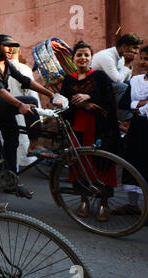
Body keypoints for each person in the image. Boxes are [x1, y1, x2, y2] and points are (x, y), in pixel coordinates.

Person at [0, 34, 63, 198]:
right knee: (29, 101)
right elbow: (0, 91)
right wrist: (20, 105)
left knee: (12, 141)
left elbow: (26, 81)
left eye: (13, 46)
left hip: (5, 106)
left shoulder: (7, 65)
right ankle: (33, 145)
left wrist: (51, 95)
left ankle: (12, 181)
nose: (11, 49)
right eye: (7, 46)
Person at [60, 41, 121, 222]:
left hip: (99, 128)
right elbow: (64, 102)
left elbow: (109, 98)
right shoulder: (68, 79)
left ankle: (104, 203)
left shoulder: (100, 76)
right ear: (73, 58)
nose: (83, 58)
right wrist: (80, 104)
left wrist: (89, 97)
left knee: (101, 164)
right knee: (80, 164)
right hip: (77, 128)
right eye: (79, 55)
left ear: (91, 58)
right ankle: (84, 199)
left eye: (86, 55)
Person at [118, 46, 148, 217]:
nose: (143, 62)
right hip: (137, 129)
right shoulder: (136, 81)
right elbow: (123, 103)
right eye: (142, 58)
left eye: (147, 59)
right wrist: (142, 104)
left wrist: (136, 105)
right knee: (133, 165)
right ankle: (133, 205)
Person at [91, 33, 144, 119]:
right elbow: (118, 81)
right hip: (94, 87)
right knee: (122, 87)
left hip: (108, 85)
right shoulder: (107, 56)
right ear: (124, 46)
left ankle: (138, 112)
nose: (137, 52)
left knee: (134, 84)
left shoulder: (121, 57)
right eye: (135, 48)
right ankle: (125, 119)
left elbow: (126, 79)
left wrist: (128, 64)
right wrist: (127, 63)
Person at [8, 45, 43, 167]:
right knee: (23, 141)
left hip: (6, 111)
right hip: (24, 112)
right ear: (19, 52)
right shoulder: (24, 69)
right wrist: (40, 117)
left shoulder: (0, 69)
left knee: (9, 146)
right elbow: (32, 94)